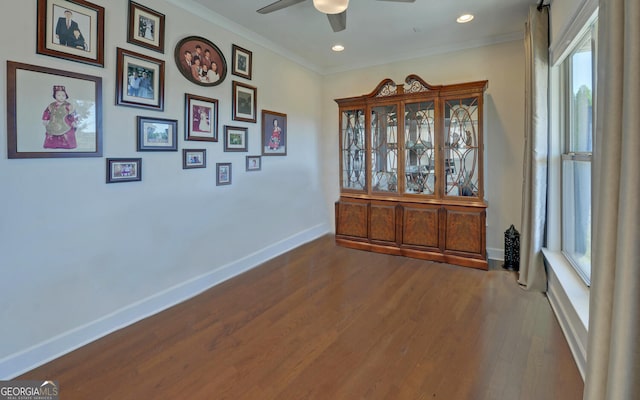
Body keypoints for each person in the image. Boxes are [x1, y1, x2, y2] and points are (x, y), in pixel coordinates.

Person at [42, 85, 78, 149]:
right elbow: (47, 112)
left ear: (66, 96)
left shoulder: (68, 105)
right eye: (59, 95)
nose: (61, 97)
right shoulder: (51, 105)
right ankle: (52, 146)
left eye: (63, 95)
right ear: (55, 96)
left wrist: (73, 121)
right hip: (53, 123)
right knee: (52, 135)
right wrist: (45, 119)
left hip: (66, 124)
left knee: (66, 135)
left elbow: (72, 114)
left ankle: (67, 146)